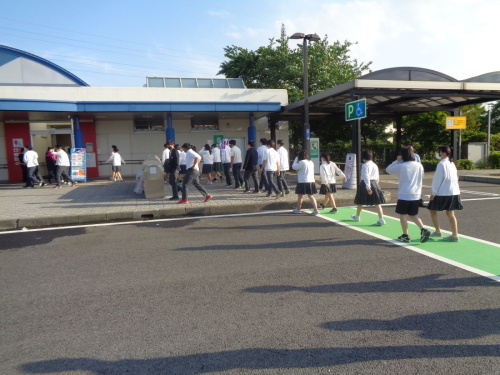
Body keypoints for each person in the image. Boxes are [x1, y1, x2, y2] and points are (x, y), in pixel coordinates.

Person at [386, 148, 430, 243]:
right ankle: (423, 229)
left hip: (404, 194)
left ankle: (405, 235)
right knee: (413, 214)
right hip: (416, 194)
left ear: (403, 156)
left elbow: (388, 170)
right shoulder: (419, 165)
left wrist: (396, 161)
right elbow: (421, 177)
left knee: (403, 214)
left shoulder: (402, 166)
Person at [427, 145, 463, 242]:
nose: (437, 153)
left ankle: (438, 231)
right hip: (454, 192)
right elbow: (456, 178)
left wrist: (433, 193)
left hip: (442, 192)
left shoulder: (441, 164)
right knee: (450, 214)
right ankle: (455, 235)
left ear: (443, 153)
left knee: (432, 210)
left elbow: (437, 180)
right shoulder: (452, 163)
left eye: (439, 151)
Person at [351, 150, 386, 224]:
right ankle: (381, 218)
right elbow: (377, 176)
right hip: (375, 183)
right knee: (377, 202)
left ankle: (357, 216)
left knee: (360, 200)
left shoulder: (365, 165)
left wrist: (368, 187)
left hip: (366, 183)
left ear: (363, 157)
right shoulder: (375, 165)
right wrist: (376, 185)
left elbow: (366, 176)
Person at [292, 150, 319, 215]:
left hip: (302, 181)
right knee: (311, 196)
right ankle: (316, 210)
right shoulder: (311, 162)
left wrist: (296, 159)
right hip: (311, 181)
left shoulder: (301, 162)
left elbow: (294, 167)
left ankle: (298, 209)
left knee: (300, 196)